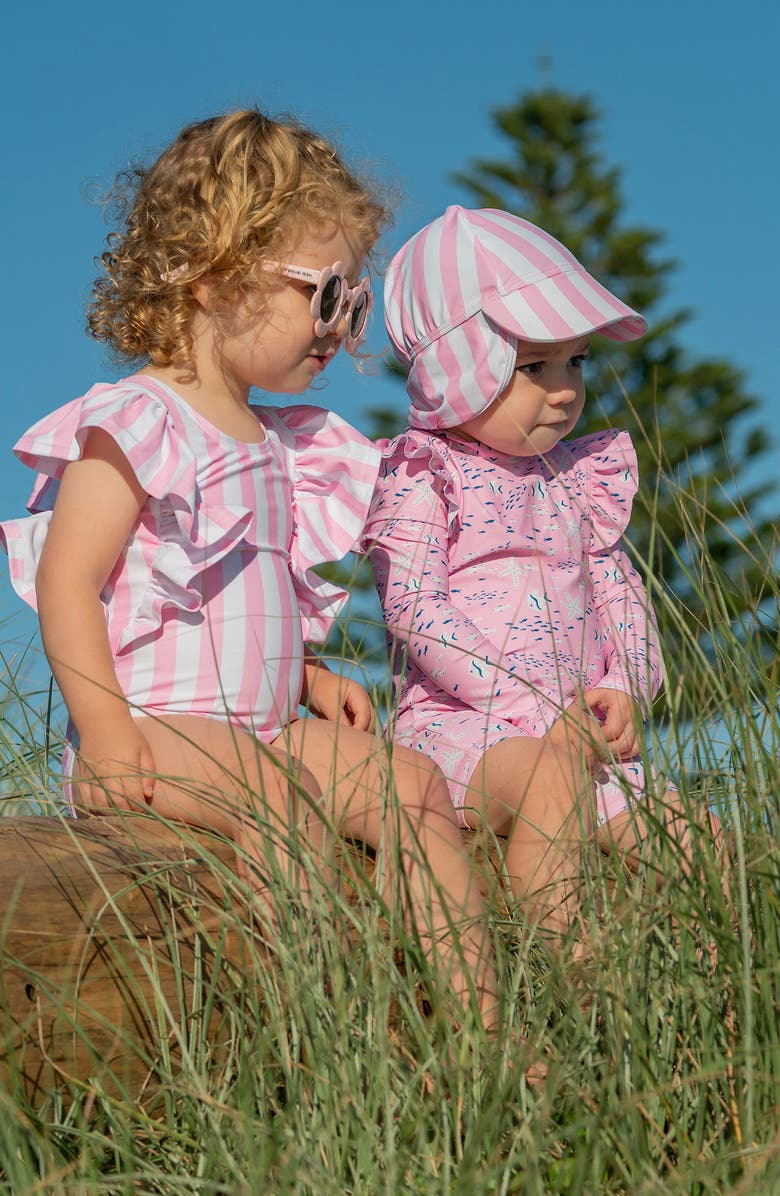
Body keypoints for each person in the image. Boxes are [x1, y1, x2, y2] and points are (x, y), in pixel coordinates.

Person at [0, 117, 500, 1030]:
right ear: (213, 273)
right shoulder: (138, 421)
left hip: (264, 731)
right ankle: (326, 1033)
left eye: (355, 304)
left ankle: (480, 1030)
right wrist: (105, 730)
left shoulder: (280, 445)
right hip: (154, 729)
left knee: (412, 784)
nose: (340, 329)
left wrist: (305, 674)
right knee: (281, 809)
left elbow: (239, 597)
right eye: (326, 294)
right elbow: (68, 583)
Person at [364, 205, 721, 940]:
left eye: (575, 361)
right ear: (457, 366)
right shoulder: (426, 473)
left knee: (702, 840)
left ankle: (714, 999)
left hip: (580, 741)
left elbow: (619, 591)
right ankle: (565, 975)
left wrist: (626, 684)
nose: (564, 389)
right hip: (465, 733)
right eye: (533, 366)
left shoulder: (575, 478)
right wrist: (533, 709)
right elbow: (414, 609)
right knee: (550, 788)